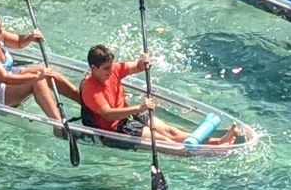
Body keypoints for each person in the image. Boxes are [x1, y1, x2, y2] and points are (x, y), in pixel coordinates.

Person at [79, 45, 240, 147]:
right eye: (106, 69)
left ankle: (219, 142)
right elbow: (107, 114)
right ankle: (215, 150)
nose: (110, 71)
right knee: (166, 142)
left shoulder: (113, 69)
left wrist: (143, 63)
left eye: (111, 67)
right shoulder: (90, 89)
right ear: (93, 68)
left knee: (171, 132)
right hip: (116, 129)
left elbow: (136, 66)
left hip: (130, 113)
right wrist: (140, 107)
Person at [0, 10, 80, 121]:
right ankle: (59, 125)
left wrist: (30, 37)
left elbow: (19, 43)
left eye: (0, 27)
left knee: (48, 72)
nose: (0, 32)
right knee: (37, 80)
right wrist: (36, 77)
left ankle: (84, 103)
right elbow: (4, 77)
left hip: (8, 76)